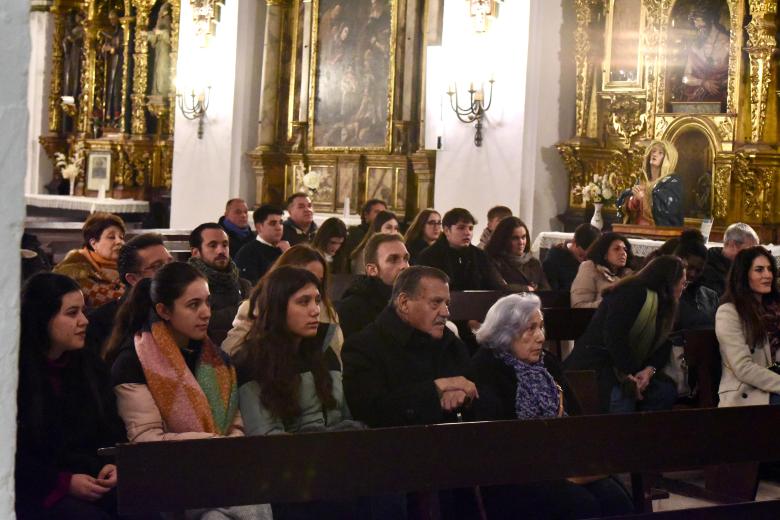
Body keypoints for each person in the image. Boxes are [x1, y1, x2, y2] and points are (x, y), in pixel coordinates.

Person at [107, 262, 272, 519]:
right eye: (193, 305)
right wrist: (211, 445)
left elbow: (235, 423)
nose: (206, 313)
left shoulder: (215, 358)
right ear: (163, 310)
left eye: (207, 302)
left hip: (219, 469)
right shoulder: (134, 361)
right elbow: (145, 438)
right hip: (166, 474)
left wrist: (225, 449)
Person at [469, 293, 634, 519]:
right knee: (581, 505)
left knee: (616, 499)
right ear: (505, 333)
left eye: (541, 327)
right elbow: (495, 442)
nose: (540, 337)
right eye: (530, 329)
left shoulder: (547, 364)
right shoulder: (486, 368)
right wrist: (554, 468)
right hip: (515, 474)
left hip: (563, 462)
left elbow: (576, 419)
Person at [16, 273, 124, 519]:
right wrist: (63, 482)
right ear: (43, 318)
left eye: (83, 311)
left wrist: (114, 463)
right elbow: (15, 454)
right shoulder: (16, 374)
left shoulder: (88, 364)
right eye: (72, 313)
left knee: (145, 508)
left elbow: (111, 427)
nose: (85, 321)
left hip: (93, 476)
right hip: (37, 488)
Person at [343, 266, 478, 427]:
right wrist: (436, 389)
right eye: (436, 303)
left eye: (447, 303)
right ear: (404, 303)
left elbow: (481, 396)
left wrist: (466, 397)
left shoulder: (451, 344)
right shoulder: (363, 347)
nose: (446, 312)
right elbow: (370, 413)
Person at [566, 256, 685, 413]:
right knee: (622, 397)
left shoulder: (665, 305)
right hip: (599, 365)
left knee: (664, 393)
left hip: (631, 368)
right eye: (682, 283)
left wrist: (649, 371)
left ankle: (643, 436)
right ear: (669, 283)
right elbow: (615, 337)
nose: (684, 288)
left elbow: (663, 344)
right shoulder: (632, 292)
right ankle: (621, 436)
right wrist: (630, 374)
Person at [223, 245, 344, 360]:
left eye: (319, 281)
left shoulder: (327, 312)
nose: (312, 284)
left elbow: (336, 360)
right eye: (305, 277)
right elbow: (231, 353)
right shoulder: (254, 308)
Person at [85, 233, 172, 357]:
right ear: (132, 278)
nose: (170, 271)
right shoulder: (100, 322)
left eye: (170, 263)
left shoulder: (179, 311)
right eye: (157, 266)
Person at [716, 246, 780, 407]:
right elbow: (743, 368)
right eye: (759, 270)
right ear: (744, 276)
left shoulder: (775, 310)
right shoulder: (729, 313)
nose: (767, 275)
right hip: (749, 393)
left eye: (770, 269)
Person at [188, 223, 252, 346]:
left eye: (225, 245)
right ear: (196, 252)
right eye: (213, 245)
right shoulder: (188, 285)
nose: (221, 250)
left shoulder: (243, 285)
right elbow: (200, 321)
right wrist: (243, 311)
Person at [337, 233, 410, 340]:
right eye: (393, 260)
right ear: (372, 270)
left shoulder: (413, 302)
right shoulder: (351, 309)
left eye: (406, 259)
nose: (404, 266)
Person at [54, 212, 126, 308]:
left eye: (121, 237)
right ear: (93, 243)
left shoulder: (127, 265)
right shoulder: (75, 272)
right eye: (111, 237)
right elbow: (110, 302)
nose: (119, 242)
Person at [617, 140, 683, 227]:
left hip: (657, 233)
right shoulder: (641, 180)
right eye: (653, 151)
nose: (655, 154)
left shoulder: (672, 183)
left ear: (668, 159)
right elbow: (626, 209)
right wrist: (634, 200)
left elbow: (668, 212)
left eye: (660, 153)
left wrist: (644, 198)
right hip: (635, 230)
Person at [681, 1, 730, 108]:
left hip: (721, 101)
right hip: (695, 101)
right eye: (696, 24)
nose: (697, 26)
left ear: (711, 19)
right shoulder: (695, 46)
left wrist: (721, 84)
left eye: (699, 20)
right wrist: (703, 82)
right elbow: (685, 78)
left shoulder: (727, 44)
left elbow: (734, 77)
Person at [485, 216, 550, 291]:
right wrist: (527, 289)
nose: (521, 242)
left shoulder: (534, 263)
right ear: (504, 239)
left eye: (523, 237)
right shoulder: (493, 261)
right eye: (515, 238)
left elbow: (546, 291)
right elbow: (500, 288)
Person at [570, 232, 634, 308]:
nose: (623, 253)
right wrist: (610, 303)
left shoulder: (628, 274)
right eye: (617, 249)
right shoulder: (589, 267)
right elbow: (578, 306)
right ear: (604, 254)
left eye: (625, 249)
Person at [672, 229, 719, 331]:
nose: (693, 274)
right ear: (679, 261)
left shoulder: (710, 296)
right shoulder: (664, 292)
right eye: (690, 268)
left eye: (698, 270)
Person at [699, 222, 759, 296]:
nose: (754, 256)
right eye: (750, 250)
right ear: (733, 244)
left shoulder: (740, 264)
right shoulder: (708, 267)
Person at [235, 204, 289, 284]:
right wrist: (286, 256)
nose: (279, 228)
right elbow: (252, 287)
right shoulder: (248, 252)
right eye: (273, 223)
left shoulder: (284, 248)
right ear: (259, 227)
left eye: (281, 223)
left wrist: (290, 253)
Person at [543, 223, 601, 292]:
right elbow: (553, 292)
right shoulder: (554, 258)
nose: (583, 261)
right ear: (574, 242)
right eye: (581, 256)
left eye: (588, 258)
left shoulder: (594, 261)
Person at [349, 210, 400, 275]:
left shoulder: (398, 252)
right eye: (388, 227)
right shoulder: (364, 254)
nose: (393, 232)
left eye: (396, 228)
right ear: (377, 230)